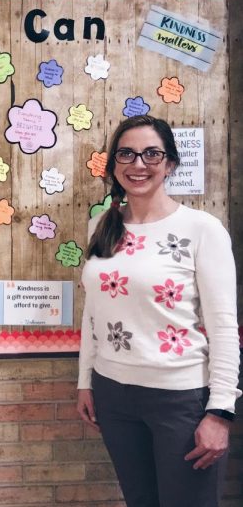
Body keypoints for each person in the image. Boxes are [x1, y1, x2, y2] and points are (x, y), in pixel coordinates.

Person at [75, 115, 239, 506]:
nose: (138, 164)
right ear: (114, 165)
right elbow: (93, 311)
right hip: (114, 395)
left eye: (152, 153)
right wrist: (85, 379)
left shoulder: (202, 229)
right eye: (126, 154)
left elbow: (224, 327)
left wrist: (220, 412)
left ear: (170, 163)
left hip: (180, 399)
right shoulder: (102, 224)